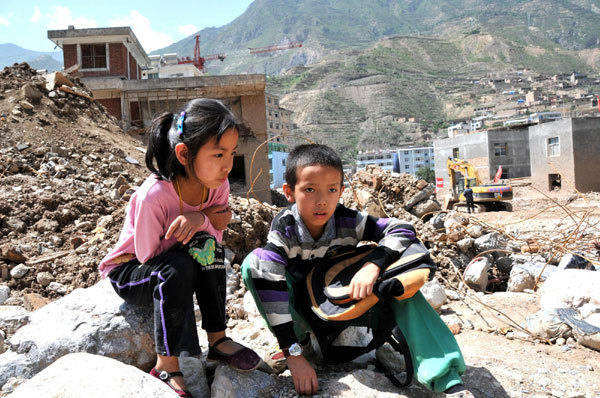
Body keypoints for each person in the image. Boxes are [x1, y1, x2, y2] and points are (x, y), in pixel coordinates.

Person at [241, 144, 472, 397]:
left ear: (341, 191)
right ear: (289, 192)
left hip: (345, 307)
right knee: (256, 263)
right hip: (307, 317)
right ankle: (300, 348)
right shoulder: (286, 230)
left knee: (399, 286)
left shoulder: (348, 221)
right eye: (309, 190)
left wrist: (373, 264)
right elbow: (264, 273)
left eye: (332, 190)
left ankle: (447, 379)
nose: (322, 201)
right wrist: (292, 353)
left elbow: (402, 229)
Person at [99, 99, 260, 398]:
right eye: (218, 154)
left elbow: (214, 237)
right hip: (132, 269)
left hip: (174, 262)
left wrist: (200, 219)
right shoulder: (154, 195)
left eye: (231, 153)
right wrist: (199, 223)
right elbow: (148, 255)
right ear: (185, 154)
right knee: (178, 267)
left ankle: (217, 340)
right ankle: (166, 364)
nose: (228, 164)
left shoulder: (218, 185)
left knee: (209, 251)